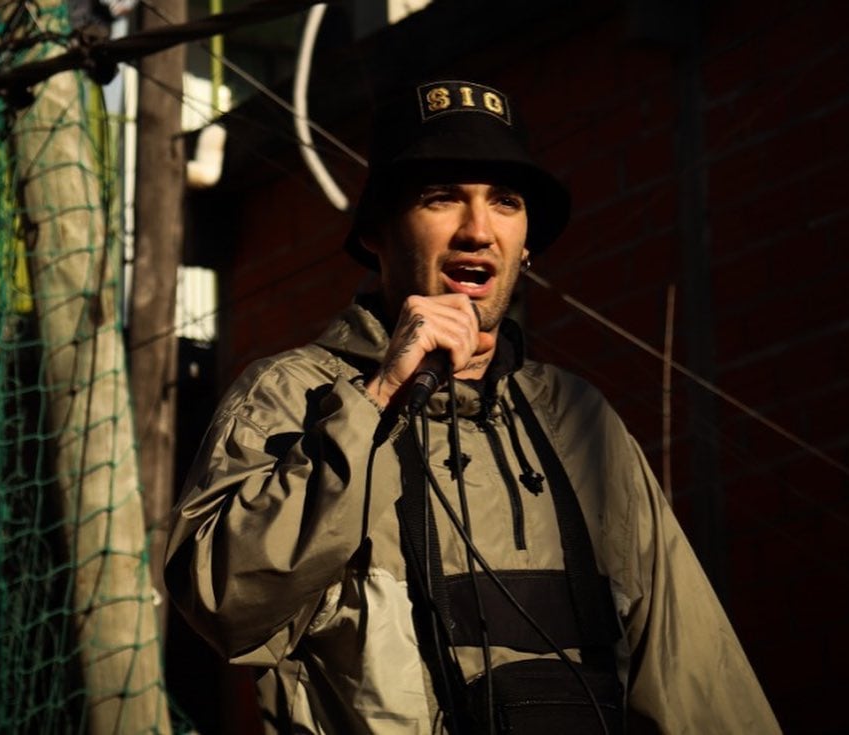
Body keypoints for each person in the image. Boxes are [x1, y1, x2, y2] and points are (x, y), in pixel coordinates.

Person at [164, 78, 780, 734]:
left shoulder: (578, 417)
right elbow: (223, 598)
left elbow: (694, 675)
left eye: (505, 202)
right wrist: (377, 399)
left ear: (527, 242)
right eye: (441, 198)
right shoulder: (294, 395)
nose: (478, 230)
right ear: (376, 232)